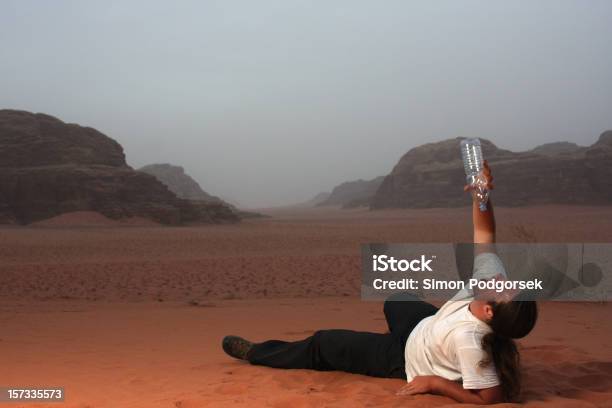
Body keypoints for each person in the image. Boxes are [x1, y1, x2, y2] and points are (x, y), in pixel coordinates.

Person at [221, 161, 538, 404]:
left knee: (324, 343)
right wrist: (482, 195)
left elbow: (490, 399)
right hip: (426, 326)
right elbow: (484, 234)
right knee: (397, 298)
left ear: (489, 313)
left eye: (503, 289)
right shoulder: (487, 283)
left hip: (404, 357)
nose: (500, 279)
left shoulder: (470, 342)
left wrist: (437, 383)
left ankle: (258, 353)